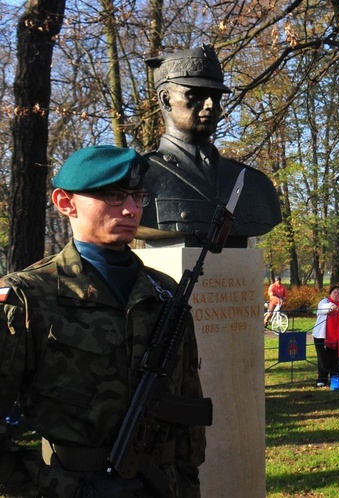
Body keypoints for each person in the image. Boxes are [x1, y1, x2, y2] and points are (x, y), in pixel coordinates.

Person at [0, 146, 208, 497]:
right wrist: (64, 488)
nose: (130, 209)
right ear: (66, 203)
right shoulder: (28, 298)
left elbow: (186, 410)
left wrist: (186, 485)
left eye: (137, 196)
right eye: (112, 196)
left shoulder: (164, 291)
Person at [138, 45, 281, 246]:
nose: (210, 105)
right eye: (195, 94)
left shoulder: (255, 185)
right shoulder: (138, 177)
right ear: (165, 99)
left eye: (215, 96)